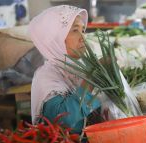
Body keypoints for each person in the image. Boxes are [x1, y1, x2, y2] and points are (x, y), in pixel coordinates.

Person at [29, 5, 102, 134]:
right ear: (54, 38)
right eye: (74, 30)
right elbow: (64, 121)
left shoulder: (78, 69)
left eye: (83, 30)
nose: (83, 37)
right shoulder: (46, 78)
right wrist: (91, 78)